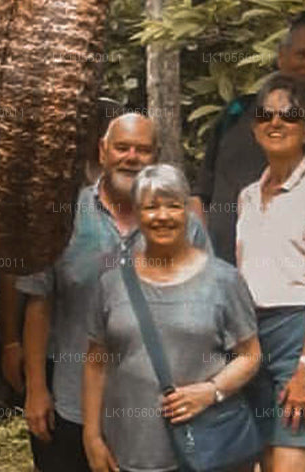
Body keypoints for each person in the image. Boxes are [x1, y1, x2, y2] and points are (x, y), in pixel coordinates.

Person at [18, 113, 212, 472]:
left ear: (156, 157)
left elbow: (208, 314)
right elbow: (38, 304)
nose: (131, 158)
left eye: (143, 150)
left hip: (158, 415)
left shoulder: (184, 225)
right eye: (122, 148)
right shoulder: (64, 218)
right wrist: (36, 389)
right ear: (103, 151)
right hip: (72, 404)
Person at [193, 11, 305, 325]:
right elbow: (199, 199)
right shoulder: (235, 114)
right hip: (220, 297)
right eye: (302, 54)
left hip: (299, 312)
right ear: (281, 56)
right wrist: (197, 275)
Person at [82, 164, 261, 472]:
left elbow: (250, 355)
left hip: (208, 450)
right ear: (137, 214)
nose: (162, 216)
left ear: (187, 212)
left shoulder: (223, 280)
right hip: (131, 451)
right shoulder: (111, 283)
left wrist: (211, 391)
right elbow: (96, 362)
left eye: (172, 206)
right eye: (151, 207)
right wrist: (92, 435)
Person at [237, 74, 305, 470]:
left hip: (300, 334)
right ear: (254, 126)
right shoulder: (247, 196)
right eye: (266, 114)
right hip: (250, 336)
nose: (276, 123)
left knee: (289, 457)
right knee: (261, 456)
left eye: (289, 115)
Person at [0, 98, 126, 395]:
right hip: (56, 345)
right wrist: (11, 341)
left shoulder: (140, 196)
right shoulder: (53, 187)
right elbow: (15, 273)